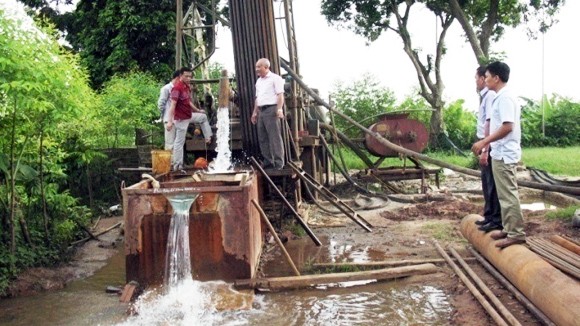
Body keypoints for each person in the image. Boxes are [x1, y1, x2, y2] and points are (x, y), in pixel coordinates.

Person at [472, 61, 526, 249]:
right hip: (499, 152)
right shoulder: (498, 97)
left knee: (508, 194)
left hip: (505, 153)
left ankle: (516, 233)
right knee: (503, 194)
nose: (484, 80)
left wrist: (484, 142)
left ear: (496, 78)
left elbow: (507, 126)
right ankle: (508, 228)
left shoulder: (505, 98)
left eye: (486, 76)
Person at [166, 67, 213, 171]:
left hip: (188, 115)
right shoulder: (176, 88)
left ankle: (208, 137)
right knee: (179, 142)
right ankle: (177, 166)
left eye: (190, 76)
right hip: (180, 119)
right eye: (186, 76)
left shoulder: (186, 86)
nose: (188, 78)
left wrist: (197, 110)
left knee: (203, 117)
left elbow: (188, 102)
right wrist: (170, 121)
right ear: (180, 76)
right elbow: (172, 105)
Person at [473, 66, 502, 233]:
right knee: (486, 182)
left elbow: (490, 123)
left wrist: (485, 148)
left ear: (483, 78)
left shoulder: (490, 95)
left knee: (491, 183)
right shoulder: (485, 97)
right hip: (486, 142)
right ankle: (489, 216)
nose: (475, 82)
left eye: (476, 78)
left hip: (488, 143)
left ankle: (495, 219)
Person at [251, 58, 285, 170]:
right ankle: (268, 162)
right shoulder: (259, 81)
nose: (256, 70)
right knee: (262, 137)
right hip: (261, 110)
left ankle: (279, 163)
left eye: (258, 67)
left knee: (274, 137)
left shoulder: (275, 78)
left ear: (266, 67)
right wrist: (255, 112)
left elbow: (280, 95)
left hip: (271, 109)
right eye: (256, 67)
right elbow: (257, 98)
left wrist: (279, 109)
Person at [158, 70, 181, 150]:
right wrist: (165, 118)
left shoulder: (179, 89)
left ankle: (176, 162)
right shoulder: (166, 88)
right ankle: (169, 162)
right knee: (170, 144)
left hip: (178, 119)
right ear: (178, 78)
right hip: (169, 120)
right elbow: (161, 104)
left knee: (177, 144)